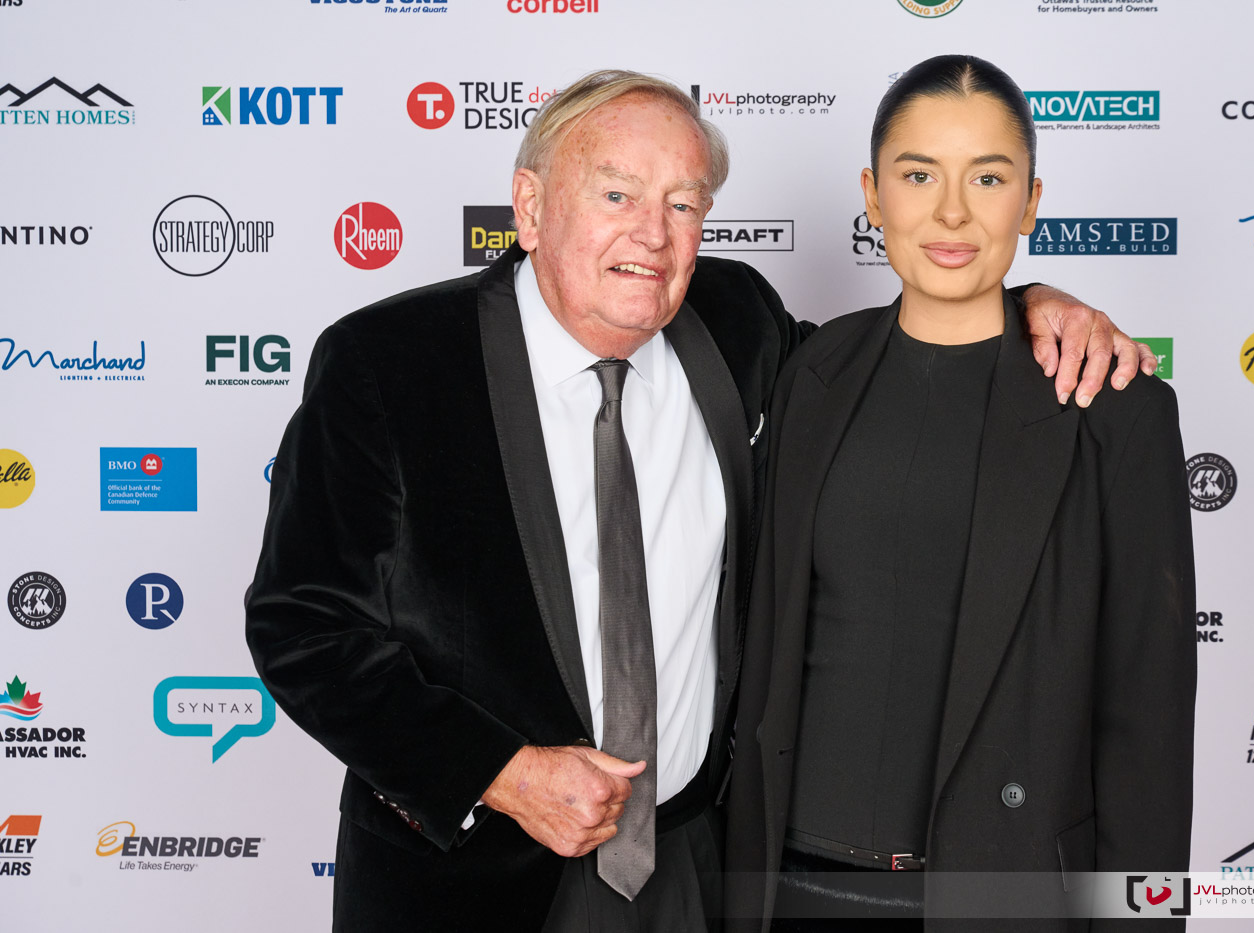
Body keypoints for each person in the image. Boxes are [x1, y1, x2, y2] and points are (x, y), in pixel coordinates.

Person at [244, 69, 1155, 933]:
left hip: (692, 870)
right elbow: (302, 626)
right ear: (529, 206)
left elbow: (902, 367)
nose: (653, 234)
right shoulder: (389, 363)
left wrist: (1029, 300)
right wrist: (502, 772)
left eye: (684, 204)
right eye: (617, 195)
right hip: (473, 877)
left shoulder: (736, 321)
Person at [724, 55, 1196, 932]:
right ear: (872, 196)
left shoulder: (1113, 409)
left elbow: (1148, 722)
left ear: (1031, 200)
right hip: (792, 889)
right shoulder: (808, 372)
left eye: (988, 177)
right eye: (918, 175)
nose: (951, 211)